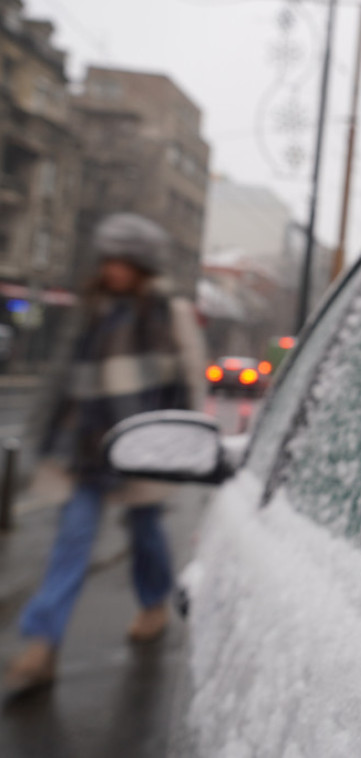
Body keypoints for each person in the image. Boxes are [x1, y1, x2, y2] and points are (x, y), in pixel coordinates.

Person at [2, 213, 207, 699]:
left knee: (145, 533)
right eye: (109, 259)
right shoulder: (91, 306)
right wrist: (45, 428)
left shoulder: (168, 311)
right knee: (71, 540)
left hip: (139, 447)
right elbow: (66, 372)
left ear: (142, 265)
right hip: (86, 447)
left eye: (123, 261)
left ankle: (153, 601)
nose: (112, 268)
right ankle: (41, 646)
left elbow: (192, 378)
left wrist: (177, 443)